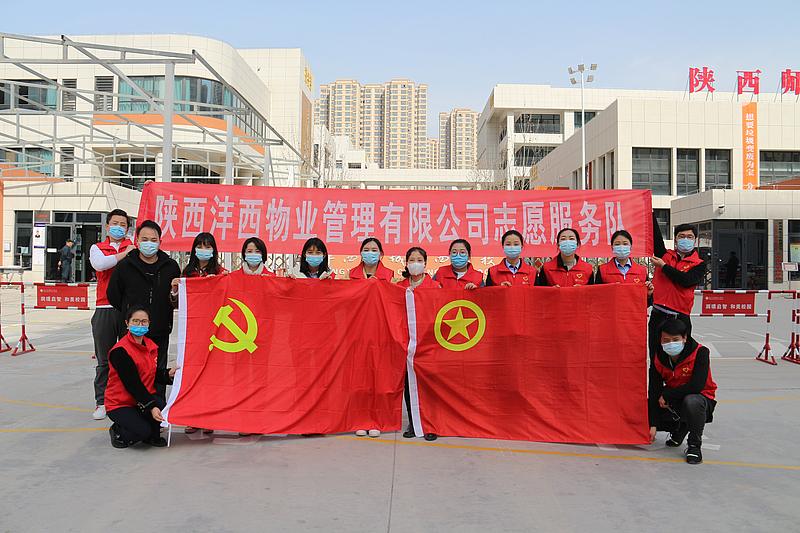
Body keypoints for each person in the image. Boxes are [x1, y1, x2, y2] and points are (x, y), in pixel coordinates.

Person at [107, 220, 181, 400]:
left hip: (160, 330)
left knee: (158, 373)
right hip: (133, 332)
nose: (149, 243)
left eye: (153, 240)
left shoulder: (171, 266)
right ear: (137, 241)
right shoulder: (125, 266)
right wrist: (129, 314)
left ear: (160, 242)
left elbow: (177, 299)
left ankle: (158, 408)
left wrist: (173, 293)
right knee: (131, 372)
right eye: (145, 239)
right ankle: (130, 407)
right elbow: (113, 295)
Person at [170, 232, 226, 435]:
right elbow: (176, 303)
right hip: (193, 333)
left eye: (208, 246)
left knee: (212, 376)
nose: (204, 250)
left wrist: (218, 283)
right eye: (200, 246)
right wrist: (175, 290)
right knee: (192, 374)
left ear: (214, 250)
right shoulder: (186, 273)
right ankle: (192, 417)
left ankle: (209, 418)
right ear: (194, 249)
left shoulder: (222, 273)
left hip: (215, 332)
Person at [106, 305, 180, 448]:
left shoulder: (150, 346)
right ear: (127, 323)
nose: (140, 325)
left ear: (149, 324)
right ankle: (118, 430)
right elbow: (133, 384)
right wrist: (151, 407)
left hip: (141, 398)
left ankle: (149, 432)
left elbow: (150, 373)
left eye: (144, 321)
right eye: (136, 321)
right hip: (121, 402)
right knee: (142, 431)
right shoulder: (120, 351)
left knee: (163, 410)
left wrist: (167, 374)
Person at [648, 319, 717, 465]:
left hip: (701, 399)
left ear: (684, 338)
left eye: (675, 339)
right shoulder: (658, 358)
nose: (671, 343)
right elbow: (654, 390)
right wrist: (653, 424)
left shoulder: (700, 352)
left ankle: (694, 445)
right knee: (644, 407)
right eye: (666, 340)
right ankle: (680, 429)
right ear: (660, 341)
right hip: (674, 400)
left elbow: (697, 386)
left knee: (692, 401)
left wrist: (667, 395)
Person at [89, 209, 135, 421]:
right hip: (104, 308)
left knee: (129, 358)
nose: (119, 227)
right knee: (104, 360)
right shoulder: (97, 248)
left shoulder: (134, 246)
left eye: (123, 224)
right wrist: (124, 254)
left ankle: (127, 399)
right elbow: (100, 265)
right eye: (115, 223)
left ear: (128, 229)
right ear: (107, 226)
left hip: (128, 310)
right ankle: (102, 401)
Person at [397, 247, 440, 442]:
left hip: (429, 342)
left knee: (430, 384)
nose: (415, 263)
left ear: (425, 263)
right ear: (406, 264)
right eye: (411, 260)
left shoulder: (436, 286)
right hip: (407, 343)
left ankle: (431, 423)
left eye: (419, 260)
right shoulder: (399, 286)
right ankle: (413, 422)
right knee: (409, 383)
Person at [650, 217, 706, 356]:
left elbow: (686, 281)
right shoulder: (665, 255)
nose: (685, 239)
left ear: (695, 240)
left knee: (680, 357)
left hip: (680, 318)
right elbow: (655, 236)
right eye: (681, 236)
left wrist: (664, 267)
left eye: (689, 237)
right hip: (658, 316)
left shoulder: (699, 264)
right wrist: (650, 213)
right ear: (675, 240)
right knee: (656, 356)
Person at [594, 229, 654, 306]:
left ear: (631, 247)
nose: (621, 247)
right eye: (617, 244)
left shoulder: (642, 271)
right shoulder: (603, 270)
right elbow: (596, 297)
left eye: (625, 244)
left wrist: (648, 295)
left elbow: (645, 304)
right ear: (612, 247)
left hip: (634, 313)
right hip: (611, 312)